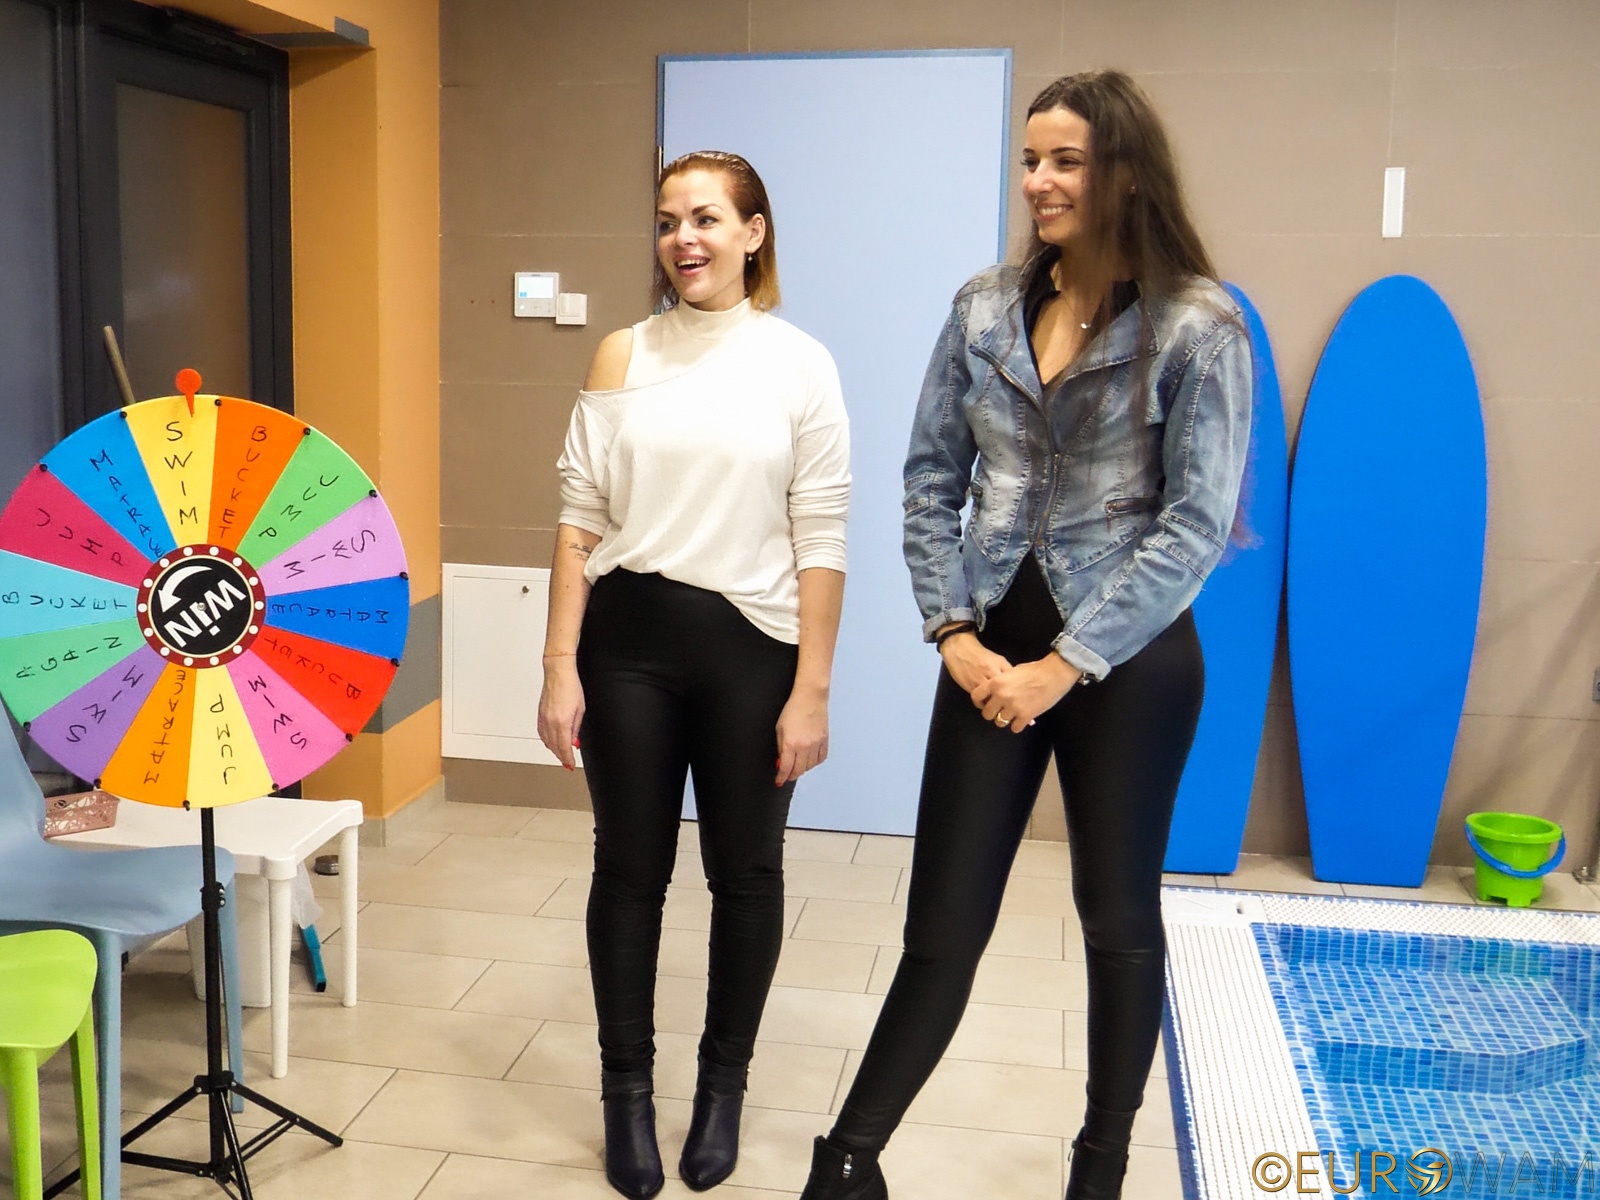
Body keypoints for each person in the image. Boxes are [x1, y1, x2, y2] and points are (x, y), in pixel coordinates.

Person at [797, 71, 1251, 1200]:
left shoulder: (1199, 324)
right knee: (941, 924)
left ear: (1125, 174)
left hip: (1129, 666)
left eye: (1066, 162)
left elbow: (1195, 527)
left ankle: (1099, 1166)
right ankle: (847, 1160)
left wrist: (1065, 665)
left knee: (1116, 918)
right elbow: (928, 480)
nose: (1039, 182)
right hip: (986, 653)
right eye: (1031, 161)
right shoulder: (984, 308)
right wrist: (953, 631)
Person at [540, 150, 850, 1199]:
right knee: (628, 872)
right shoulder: (621, 353)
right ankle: (625, 1093)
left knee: (745, 875)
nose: (685, 239)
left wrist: (811, 689)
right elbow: (580, 517)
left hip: (753, 653)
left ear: (753, 233)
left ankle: (723, 1088)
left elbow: (821, 535)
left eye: (708, 218)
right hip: (625, 644)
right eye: (670, 219)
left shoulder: (799, 363)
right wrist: (557, 666)